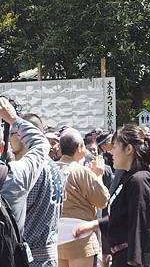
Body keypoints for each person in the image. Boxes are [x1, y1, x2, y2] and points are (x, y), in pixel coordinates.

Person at [74, 124, 150, 267]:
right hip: (123, 256)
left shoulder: (139, 180)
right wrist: (94, 225)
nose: (111, 152)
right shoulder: (129, 177)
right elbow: (123, 217)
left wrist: (136, 261)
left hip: (134, 259)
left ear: (128, 149)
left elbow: (142, 226)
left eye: (114, 147)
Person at [15, 114, 64, 267]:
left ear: (23, 135)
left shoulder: (31, 170)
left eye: (11, 134)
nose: (10, 141)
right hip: (48, 256)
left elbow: (13, 214)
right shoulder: (53, 166)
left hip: (32, 258)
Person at [57, 129, 109, 267]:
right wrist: (97, 176)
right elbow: (102, 201)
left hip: (55, 234)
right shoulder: (81, 171)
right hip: (80, 235)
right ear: (79, 147)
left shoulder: (50, 168)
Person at [0, 97, 51, 232]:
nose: (10, 139)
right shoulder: (16, 175)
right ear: (1, 147)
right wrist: (14, 119)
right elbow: (41, 144)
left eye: (12, 134)